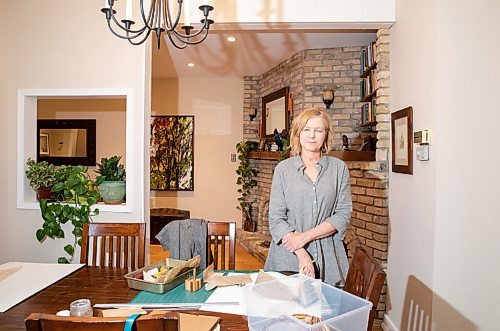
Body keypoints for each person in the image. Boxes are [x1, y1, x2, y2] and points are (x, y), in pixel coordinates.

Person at [264, 108, 352, 287]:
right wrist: (302, 252)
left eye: (318, 130)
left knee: (327, 312)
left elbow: (342, 215)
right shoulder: (283, 170)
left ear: (326, 135)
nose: (312, 135)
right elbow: (276, 218)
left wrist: (304, 237)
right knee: (284, 312)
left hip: (329, 258)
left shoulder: (339, 169)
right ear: (298, 133)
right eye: (306, 129)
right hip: (287, 257)